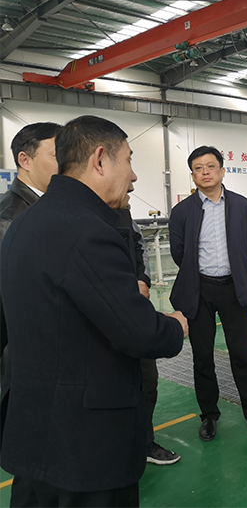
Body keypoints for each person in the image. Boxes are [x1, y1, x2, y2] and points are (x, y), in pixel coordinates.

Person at [0, 115, 187, 507]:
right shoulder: (86, 229)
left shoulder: (24, 222)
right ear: (100, 160)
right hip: (84, 446)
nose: (133, 176)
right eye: (129, 160)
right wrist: (174, 325)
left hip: (35, 434)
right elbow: (139, 333)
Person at [169, 146, 247, 443]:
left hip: (232, 288)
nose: (205, 172)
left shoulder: (241, 205)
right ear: (192, 175)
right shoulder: (182, 211)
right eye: (198, 168)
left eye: (210, 166)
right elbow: (179, 253)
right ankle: (209, 415)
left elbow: (246, 242)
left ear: (222, 170)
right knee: (203, 357)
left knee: (242, 355)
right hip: (199, 290)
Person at [117, 208, 181, 465]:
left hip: (136, 311)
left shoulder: (124, 215)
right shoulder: (83, 216)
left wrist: (143, 280)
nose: (130, 188)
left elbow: (139, 249)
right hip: (104, 317)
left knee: (147, 380)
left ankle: (144, 442)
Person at [0, 122, 61, 379]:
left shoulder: (51, 207)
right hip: (32, 354)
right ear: (25, 160)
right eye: (58, 155)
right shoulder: (9, 219)